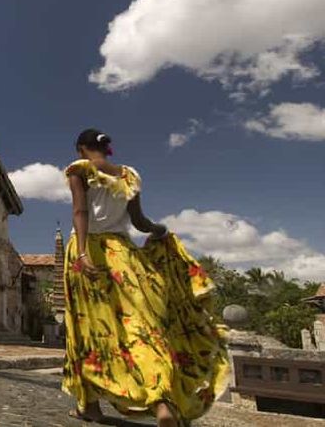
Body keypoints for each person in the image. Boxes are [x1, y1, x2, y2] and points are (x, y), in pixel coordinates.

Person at [62, 129, 230, 427]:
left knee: (88, 330)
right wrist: (160, 230)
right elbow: (139, 222)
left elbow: (80, 211)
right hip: (123, 254)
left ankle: (90, 406)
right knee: (141, 327)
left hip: (88, 253)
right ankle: (161, 401)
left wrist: (83, 253)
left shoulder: (79, 170)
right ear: (105, 147)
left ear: (80, 148)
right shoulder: (129, 175)